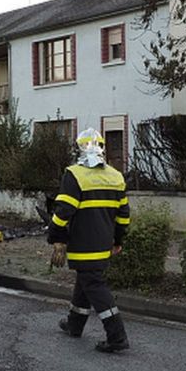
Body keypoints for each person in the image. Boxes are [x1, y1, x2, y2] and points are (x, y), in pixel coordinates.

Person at [48, 128, 131, 353]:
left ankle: (117, 337)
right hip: (104, 244)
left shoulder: (74, 174)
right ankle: (75, 325)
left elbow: (64, 210)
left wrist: (56, 236)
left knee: (94, 285)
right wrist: (118, 240)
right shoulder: (116, 176)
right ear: (102, 147)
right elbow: (124, 215)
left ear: (78, 148)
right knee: (85, 282)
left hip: (82, 245)